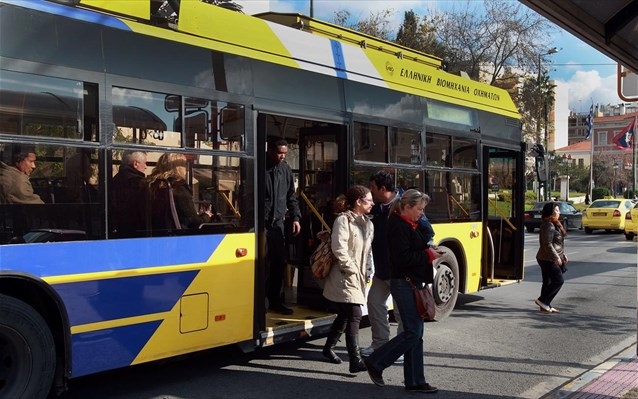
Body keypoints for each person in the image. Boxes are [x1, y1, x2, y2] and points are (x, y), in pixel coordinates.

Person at [364, 189, 442, 393]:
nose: (421, 213)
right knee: (412, 332)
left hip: (413, 282)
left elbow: (424, 237)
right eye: (419, 209)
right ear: (406, 207)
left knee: (417, 334)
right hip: (404, 283)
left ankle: (415, 381)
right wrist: (428, 255)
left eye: (423, 210)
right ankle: (376, 361)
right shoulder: (398, 225)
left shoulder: (411, 222)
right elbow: (403, 258)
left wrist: (429, 247)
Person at [321, 185, 374, 373]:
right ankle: (355, 359)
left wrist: (368, 272)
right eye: (369, 200)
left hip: (359, 275)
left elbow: (368, 253)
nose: (372, 204)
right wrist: (351, 269)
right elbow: (339, 248)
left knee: (345, 315)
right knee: (355, 314)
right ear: (358, 202)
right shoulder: (343, 220)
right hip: (345, 275)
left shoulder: (368, 223)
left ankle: (328, 348)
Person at [361, 171, 403, 362]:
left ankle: (400, 349)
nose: (371, 192)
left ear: (383, 189)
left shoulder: (404, 205)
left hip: (400, 272)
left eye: (373, 188)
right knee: (375, 304)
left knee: (402, 313)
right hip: (382, 270)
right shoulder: (377, 208)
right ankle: (380, 344)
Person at [264, 139, 301, 315]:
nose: (282, 156)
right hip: (260, 222)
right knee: (261, 264)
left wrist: (295, 217)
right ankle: (260, 300)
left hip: (277, 222)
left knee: (279, 262)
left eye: (285, 153)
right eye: (279, 152)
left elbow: (291, 196)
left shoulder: (285, 169)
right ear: (270, 150)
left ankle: (275, 300)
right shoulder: (259, 166)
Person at [146, 153, 213, 230]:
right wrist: (206, 216)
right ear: (180, 168)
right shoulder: (178, 188)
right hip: (174, 234)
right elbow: (193, 221)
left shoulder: (152, 185)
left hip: (153, 232)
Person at [534, 201, 567, 313]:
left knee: (547, 282)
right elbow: (547, 243)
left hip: (548, 257)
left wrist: (562, 255)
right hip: (547, 258)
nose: (559, 212)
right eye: (557, 210)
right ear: (551, 212)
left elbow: (556, 243)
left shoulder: (554, 224)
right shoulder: (549, 224)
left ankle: (545, 305)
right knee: (558, 280)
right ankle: (543, 301)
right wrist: (556, 258)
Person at [110, 151, 148, 236]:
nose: (146, 167)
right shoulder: (139, 183)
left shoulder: (116, 179)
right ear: (136, 164)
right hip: (135, 230)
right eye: (145, 163)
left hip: (119, 228)